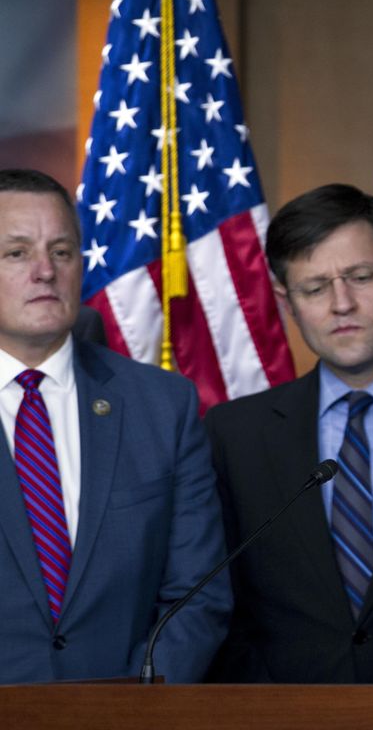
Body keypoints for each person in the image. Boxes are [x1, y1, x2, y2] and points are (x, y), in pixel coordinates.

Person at [0, 168, 230, 683]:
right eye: (17, 253)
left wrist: (133, 709)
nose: (45, 271)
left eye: (61, 252)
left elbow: (196, 594)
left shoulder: (163, 405)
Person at [204, 184, 373, 683]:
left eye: (360, 277)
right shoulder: (234, 434)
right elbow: (219, 608)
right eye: (315, 288)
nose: (341, 304)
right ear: (287, 301)